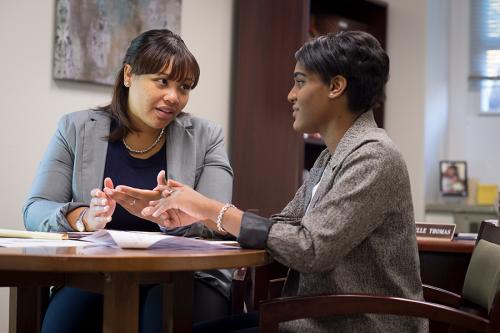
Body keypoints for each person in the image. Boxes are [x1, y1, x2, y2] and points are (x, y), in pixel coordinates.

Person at [135, 31, 428, 332]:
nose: (291, 94)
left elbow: (310, 248)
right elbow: (284, 226)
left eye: (300, 82)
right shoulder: (331, 157)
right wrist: (202, 218)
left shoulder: (374, 157)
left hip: (356, 324)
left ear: (336, 87)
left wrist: (212, 208)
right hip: (318, 319)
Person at [22, 29, 234, 333]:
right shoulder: (75, 128)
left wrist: (173, 217)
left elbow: (219, 220)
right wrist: (84, 218)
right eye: (162, 81)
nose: (174, 97)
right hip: (96, 275)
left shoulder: (206, 136)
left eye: (184, 87)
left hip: (189, 277)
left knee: (159, 318)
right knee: (64, 324)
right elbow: (35, 209)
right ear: (129, 75)